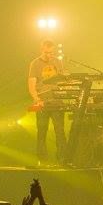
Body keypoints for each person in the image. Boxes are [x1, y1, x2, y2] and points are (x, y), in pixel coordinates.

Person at [27, 39, 67, 167]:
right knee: (42, 131)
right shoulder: (35, 63)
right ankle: (42, 161)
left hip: (57, 101)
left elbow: (63, 80)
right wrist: (36, 98)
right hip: (42, 102)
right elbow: (31, 84)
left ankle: (62, 159)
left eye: (51, 52)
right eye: (46, 52)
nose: (49, 55)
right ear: (41, 50)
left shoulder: (57, 61)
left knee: (60, 131)